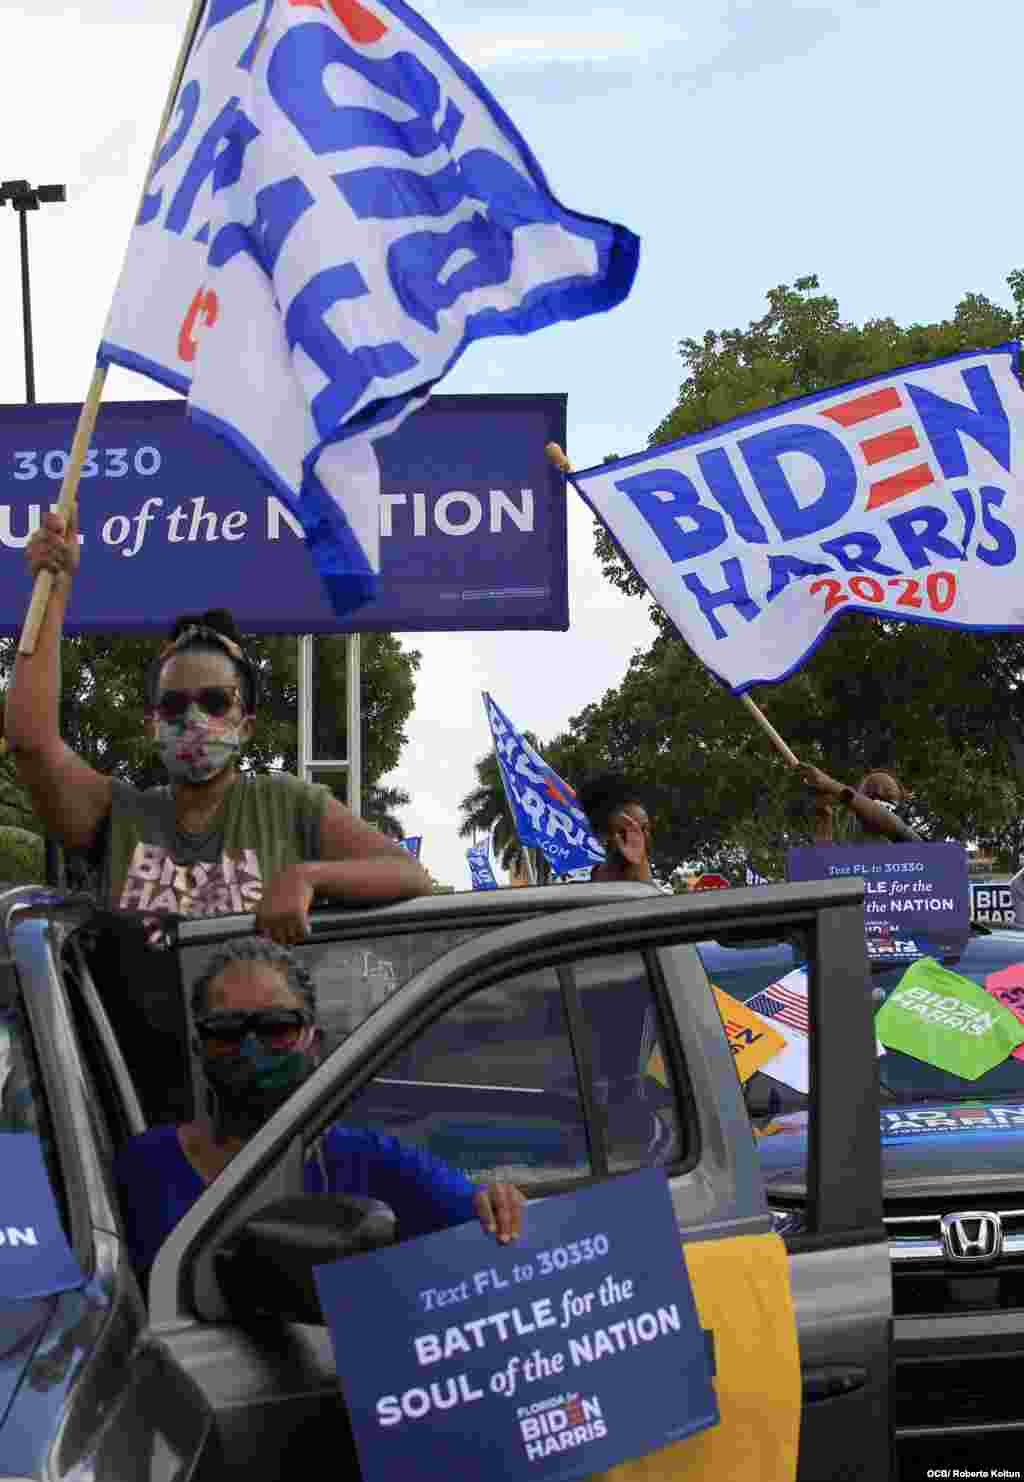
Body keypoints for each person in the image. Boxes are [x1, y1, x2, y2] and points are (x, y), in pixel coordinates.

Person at [4, 510, 432, 943]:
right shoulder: (119, 816)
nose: (192, 718)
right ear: (152, 724)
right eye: (172, 704)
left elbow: (408, 874)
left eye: (214, 701)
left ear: (245, 725)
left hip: (254, 1011)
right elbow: (30, 742)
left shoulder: (287, 805)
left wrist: (308, 876)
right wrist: (52, 589)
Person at [113, 938, 525, 1287]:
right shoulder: (145, 1165)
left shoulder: (366, 1163)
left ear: (314, 1043)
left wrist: (500, 1206)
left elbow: (491, 1230)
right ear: (198, 1047)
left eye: (277, 1027)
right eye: (225, 1031)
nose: (251, 1048)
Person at [797, 764, 921, 844]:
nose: (878, 790)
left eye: (886, 794)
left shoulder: (918, 849)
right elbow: (827, 874)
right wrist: (824, 824)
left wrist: (831, 785)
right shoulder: (851, 853)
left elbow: (889, 822)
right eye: (869, 792)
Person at [576, 774, 654, 883]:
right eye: (628, 831)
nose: (640, 838)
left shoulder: (653, 888)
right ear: (602, 836)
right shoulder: (580, 894)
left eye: (644, 828)